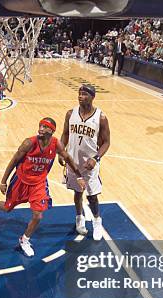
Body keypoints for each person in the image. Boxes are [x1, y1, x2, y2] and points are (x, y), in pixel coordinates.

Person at [0, 118, 85, 256]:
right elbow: (14, 160)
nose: (41, 128)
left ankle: (24, 240)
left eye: (45, 126)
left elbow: (68, 158)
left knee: (38, 216)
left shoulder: (56, 144)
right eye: (40, 125)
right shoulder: (29, 143)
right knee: (7, 207)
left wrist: (79, 176)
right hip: (21, 180)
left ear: (51, 130)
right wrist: (3, 181)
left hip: (39, 183)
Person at [59, 84, 111, 241]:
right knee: (77, 194)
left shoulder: (100, 117)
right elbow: (65, 134)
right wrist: (61, 152)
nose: (80, 96)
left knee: (92, 196)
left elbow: (106, 142)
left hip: (90, 164)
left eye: (84, 94)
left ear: (92, 97)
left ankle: (96, 221)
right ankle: (79, 218)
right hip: (73, 163)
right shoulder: (70, 114)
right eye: (79, 93)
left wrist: (96, 158)